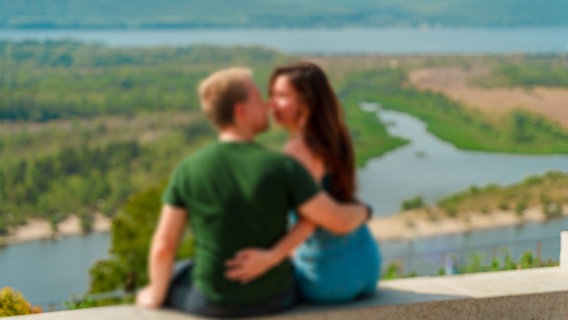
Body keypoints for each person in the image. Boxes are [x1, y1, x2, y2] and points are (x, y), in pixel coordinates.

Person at [135, 67, 372, 317]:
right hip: (278, 298)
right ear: (241, 111)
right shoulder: (283, 167)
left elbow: (163, 246)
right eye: (260, 99)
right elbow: (327, 217)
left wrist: (154, 294)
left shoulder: (187, 169)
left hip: (213, 302)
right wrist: (364, 210)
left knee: (182, 271)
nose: (268, 105)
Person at [225, 62, 382, 303]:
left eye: (282, 96)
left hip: (328, 273)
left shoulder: (299, 150)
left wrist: (270, 257)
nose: (271, 104)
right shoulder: (335, 137)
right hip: (367, 265)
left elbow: (312, 220)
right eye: (272, 95)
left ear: (307, 103)